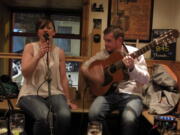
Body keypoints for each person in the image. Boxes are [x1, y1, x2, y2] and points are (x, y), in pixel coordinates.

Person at [80, 26, 150, 135]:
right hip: (108, 95)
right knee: (94, 113)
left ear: (120, 40)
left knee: (129, 119)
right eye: (105, 41)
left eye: (109, 41)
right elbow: (84, 67)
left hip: (132, 95)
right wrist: (95, 78)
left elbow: (146, 79)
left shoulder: (135, 53)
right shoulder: (103, 54)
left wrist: (132, 68)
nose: (105, 44)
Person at [17, 17, 77, 135]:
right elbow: (25, 72)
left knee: (65, 115)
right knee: (44, 116)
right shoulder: (30, 47)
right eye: (42, 28)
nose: (46, 30)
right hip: (31, 93)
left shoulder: (59, 52)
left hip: (54, 92)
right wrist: (38, 55)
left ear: (54, 32)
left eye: (49, 28)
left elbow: (63, 77)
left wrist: (68, 99)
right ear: (38, 32)